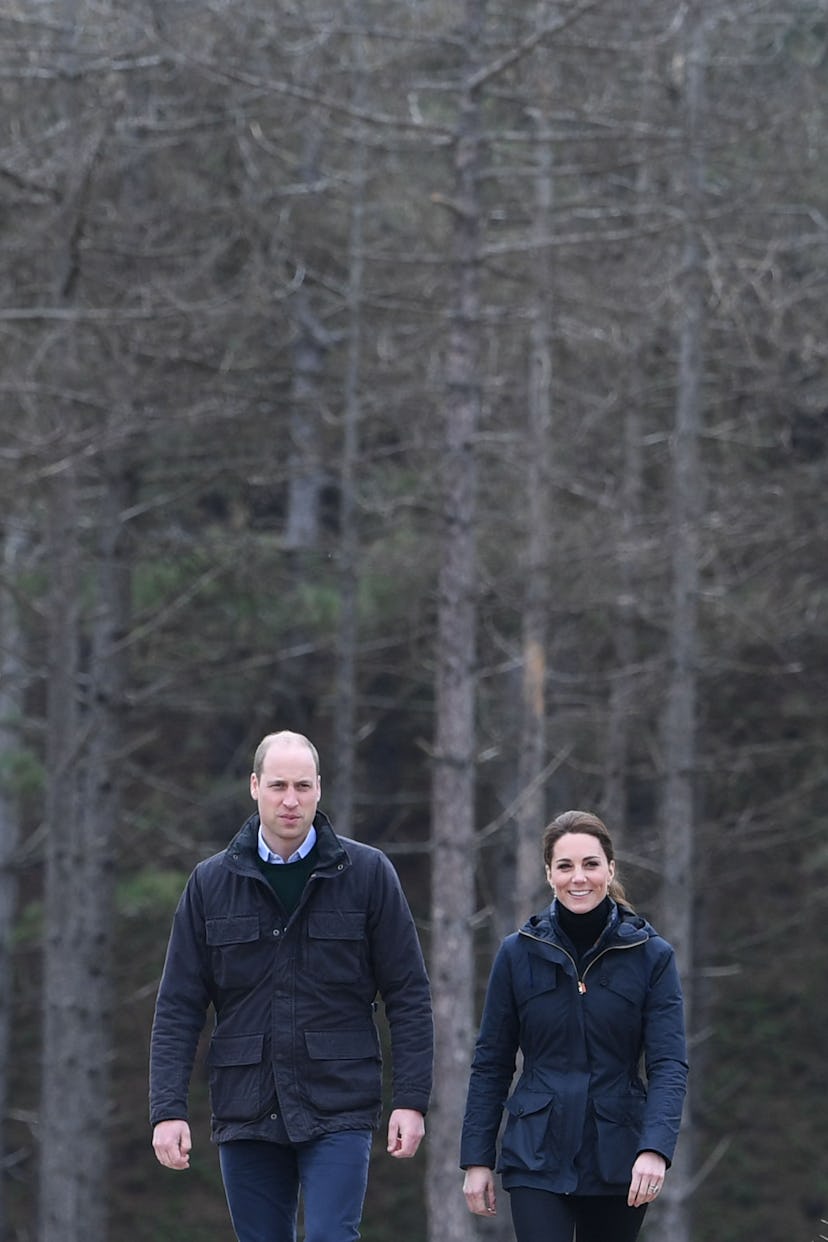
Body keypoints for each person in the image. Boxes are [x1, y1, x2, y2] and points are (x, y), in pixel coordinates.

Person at [150, 730, 433, 1242]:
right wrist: (167, 1109)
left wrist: (411, 1099)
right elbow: (178, 1006)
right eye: (278, 785)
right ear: (254, 785)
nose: (290, 800)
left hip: (339, 1102)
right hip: (246, 1105)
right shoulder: (210, 884)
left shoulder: (367, 874)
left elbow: (408, 994)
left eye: (302, 785)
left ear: (320, 789)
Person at [460, 810, 688, 1242]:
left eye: (590, 864)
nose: (578, 878)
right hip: (535, 1154)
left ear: (610, 869)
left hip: (619, 1154)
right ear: (549, 874)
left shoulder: (652, 956)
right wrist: (476, 1159)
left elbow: (669, 1064)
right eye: (565, 866)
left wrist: (655, 1149)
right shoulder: (517, 954)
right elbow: (491, 1062)